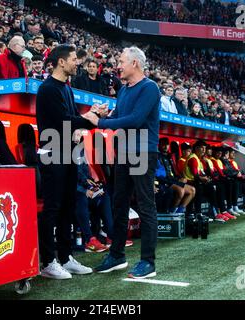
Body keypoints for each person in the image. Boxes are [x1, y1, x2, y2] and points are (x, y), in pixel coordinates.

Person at [83, 46, 161, 279]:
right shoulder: (124, 89)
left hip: (143, 153)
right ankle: (117, 255)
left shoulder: (150, 88)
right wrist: (104, 114)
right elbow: (119, 115)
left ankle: (148, 262)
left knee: (146, 206)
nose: (118, 65)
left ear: (135, 63)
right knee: (119, 204)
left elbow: (136, 120)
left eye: (121, 61)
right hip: (124, 154)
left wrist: (100, 124)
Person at [35, 45, 96, 280]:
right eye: (73, 59)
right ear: (61, 62)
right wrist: (88, 120)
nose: (77, 62)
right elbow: (63, 121)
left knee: (68, 206)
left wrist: (86, 120)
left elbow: (70, 123)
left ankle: (65, 257)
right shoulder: (48, 89)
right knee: (53, 207)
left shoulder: (67, 88)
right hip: (53, 155)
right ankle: (48, 261)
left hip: (69, 154)